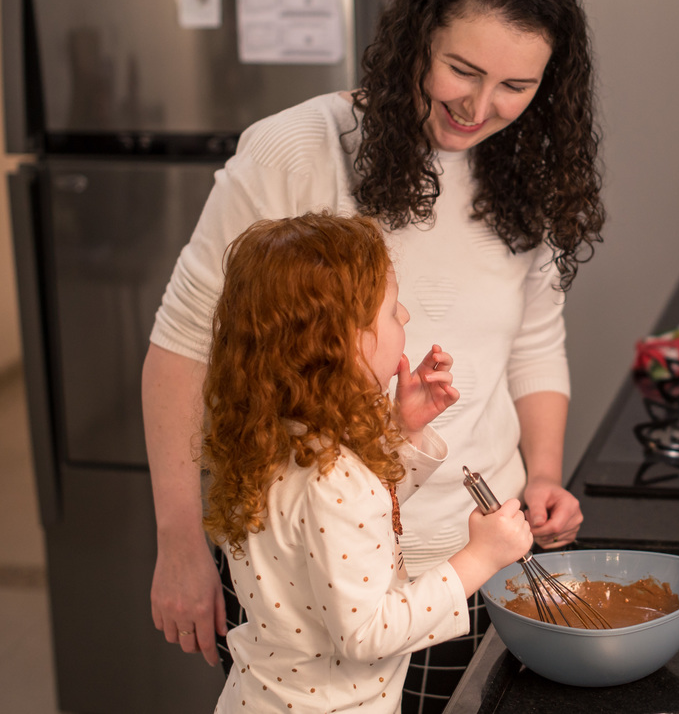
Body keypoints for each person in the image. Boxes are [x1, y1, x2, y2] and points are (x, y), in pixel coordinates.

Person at [142, 0, 604, 712]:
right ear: (417, 37)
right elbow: (183, 347)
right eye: (462, 70)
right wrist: (179, 541)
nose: (479, 107)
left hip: (476, 558)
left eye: (516, 86)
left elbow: (533, 341)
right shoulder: (297, 150)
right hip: (311, 576)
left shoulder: (528, 172)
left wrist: (545, 476)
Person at [202, 213, 533, 713]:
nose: (406, 316)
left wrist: (405, 430)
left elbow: (343, 527)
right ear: (342, 342)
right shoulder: (335, 475)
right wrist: (480, 558)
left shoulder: (276, 437)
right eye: (392, 310)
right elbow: (369, 632)